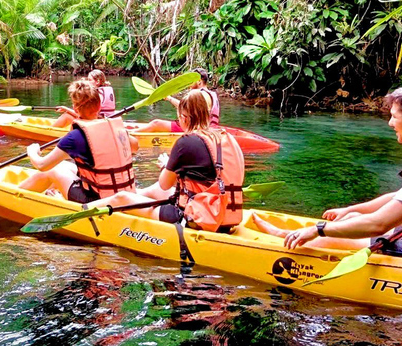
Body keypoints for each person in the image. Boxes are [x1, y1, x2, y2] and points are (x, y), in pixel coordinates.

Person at [252, 82, 402, 265]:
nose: (390, 123)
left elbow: (379, 223)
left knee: (328, 239)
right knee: (347, 222)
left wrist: (318, 230)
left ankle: (285, 243)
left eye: (393, 117)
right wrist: (353, 209)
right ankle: (286, 234)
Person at [85, 90, 244, 232]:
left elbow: (165, 183)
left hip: (197, 217)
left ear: (184, 118)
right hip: (227, 215)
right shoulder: (227, 139)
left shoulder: (186, 142)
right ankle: (130, 194)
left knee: (121, 199)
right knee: (154, 191)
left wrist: (166, 165)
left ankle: (78, 211)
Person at [21, 79, 139, 203]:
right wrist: (123, 132)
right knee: (64, 165)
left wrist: (32, 152)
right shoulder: (115, 128)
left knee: (53, 170)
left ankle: (17, 196)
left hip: (96, 201)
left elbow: (42, 165)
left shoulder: (74, 137)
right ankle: (50, 193)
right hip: (122, 193)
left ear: (75, 108)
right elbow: (135, 146)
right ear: (99, 106)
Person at [133, 68, 220, 133]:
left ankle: (131, 135)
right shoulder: (212, 94)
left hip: (198, 129)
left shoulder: (200, 95)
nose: (189, 84)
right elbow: (188, 108)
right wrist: (169, 98)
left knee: (156, 123)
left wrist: (169, 98)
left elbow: (187, 110)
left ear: (199, 81)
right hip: (209, 128)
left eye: (191, 81)